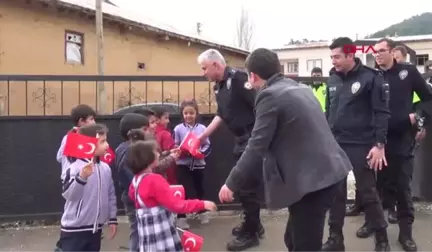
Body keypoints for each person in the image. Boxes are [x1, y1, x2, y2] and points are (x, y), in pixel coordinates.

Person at [217, 48, 351, 252]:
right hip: (328, 173)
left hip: (314, 182)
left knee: (304, 245)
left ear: (252, 76)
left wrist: (231, 183)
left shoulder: (269, 95)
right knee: (293, 240)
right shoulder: (298, 88)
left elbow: (256, 145)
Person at [321, 37, 391, 252]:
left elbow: (381, 113)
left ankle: (382, 239)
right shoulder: (332, 79)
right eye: (331, 56)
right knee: (336, 193)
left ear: (351, 55)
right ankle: (335, 238)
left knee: (368, 192)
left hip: (362, 144)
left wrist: (379, 144)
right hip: (336, 144)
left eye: (337, 56)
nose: (333, 61)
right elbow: (329, 111)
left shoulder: (370, 78)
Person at [196, 48, 263, 251]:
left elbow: (260, 106)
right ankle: (254, 225)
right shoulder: (219, 87)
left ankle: (251, 234)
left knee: (247, 187)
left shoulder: (239, 79)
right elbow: (221, 114)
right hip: (240, 139)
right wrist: (203, 135)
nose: (203, 73)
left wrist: (258, 138)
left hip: (251, 138)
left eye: (204, 68)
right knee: (243, 186)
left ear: (216, 65)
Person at [369, 38, 432, 252]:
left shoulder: (408, 72)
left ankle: (406, 235)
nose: (377, 55)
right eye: (375, 52)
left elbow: (428, 98)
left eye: (382, 51)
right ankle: (380, 237)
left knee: (403, 190)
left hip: (402, 141)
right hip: (378, 143)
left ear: (393, 52)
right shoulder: (372, 77)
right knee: (377, 192)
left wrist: (418, 117)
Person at [127, 140, 217, 252]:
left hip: (147, 234)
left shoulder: (135, 181)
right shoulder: (154, 180)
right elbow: (177, 205)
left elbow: (133, 197)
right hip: (161, 232)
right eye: (155, 152)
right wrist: (202, 204)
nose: (158, 154)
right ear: (147, 157)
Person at [115, 113, 179, 252]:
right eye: (145, 128)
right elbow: (139, 176)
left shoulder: (125, 148)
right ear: (132, 134)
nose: (150, 130)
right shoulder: (130, 151)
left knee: (139, 231)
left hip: (135, 198)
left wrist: (167, 154)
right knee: (138, 233)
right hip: (139, 200)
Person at [59, 124, 117, 252]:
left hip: (95, 229)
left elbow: (110, 194)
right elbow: (69, 195)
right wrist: (82, 177)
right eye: (102, 141)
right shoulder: (75, 167)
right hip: (75, 230)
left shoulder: (105, 168)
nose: (107, 145)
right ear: (88, 144)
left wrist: (112, 218)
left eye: (106, 140)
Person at [54, 104, 96, 252]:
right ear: (81, 121)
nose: (94, 123)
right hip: (73, 179)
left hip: (85, 177)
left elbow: (60, 157)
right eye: (91, 119)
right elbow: (62, 157)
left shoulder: (83, 136)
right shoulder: (73, 137)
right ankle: (64, 244)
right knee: (73, 211)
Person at [173, 100, 211, 229]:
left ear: (196, 114)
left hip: (199, 164)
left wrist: (200, 152)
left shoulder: (202, 128)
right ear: (182, 114)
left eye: (191, 113)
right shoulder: (178, 129)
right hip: (182, 165)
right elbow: (175, 144)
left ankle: (202, 212)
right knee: (184, 190)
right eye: (185, 113)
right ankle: (181, 217)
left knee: (200, 189)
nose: (188, 116)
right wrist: (179, 149)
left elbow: (207, 144)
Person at [153, 106, 177, 184]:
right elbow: (170, 152)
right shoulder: (165, 134)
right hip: (166, 171)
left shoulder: (150, 134)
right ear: (157, 120)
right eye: (166, 118)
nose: (168, 121)